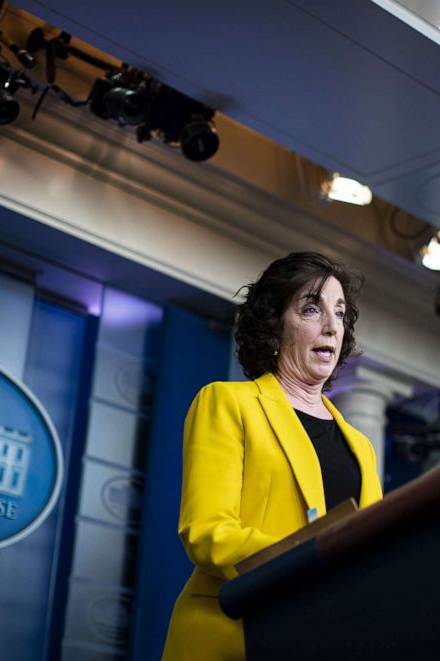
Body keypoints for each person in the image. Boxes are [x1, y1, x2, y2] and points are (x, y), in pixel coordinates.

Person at [162, 252, 384, 660]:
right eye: (312, 308)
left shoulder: (361, 446)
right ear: (275, 323)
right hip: (231, 638)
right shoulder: (227, 402)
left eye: (340, 313)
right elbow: (207, 532)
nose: (332, 326)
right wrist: (311, 561)